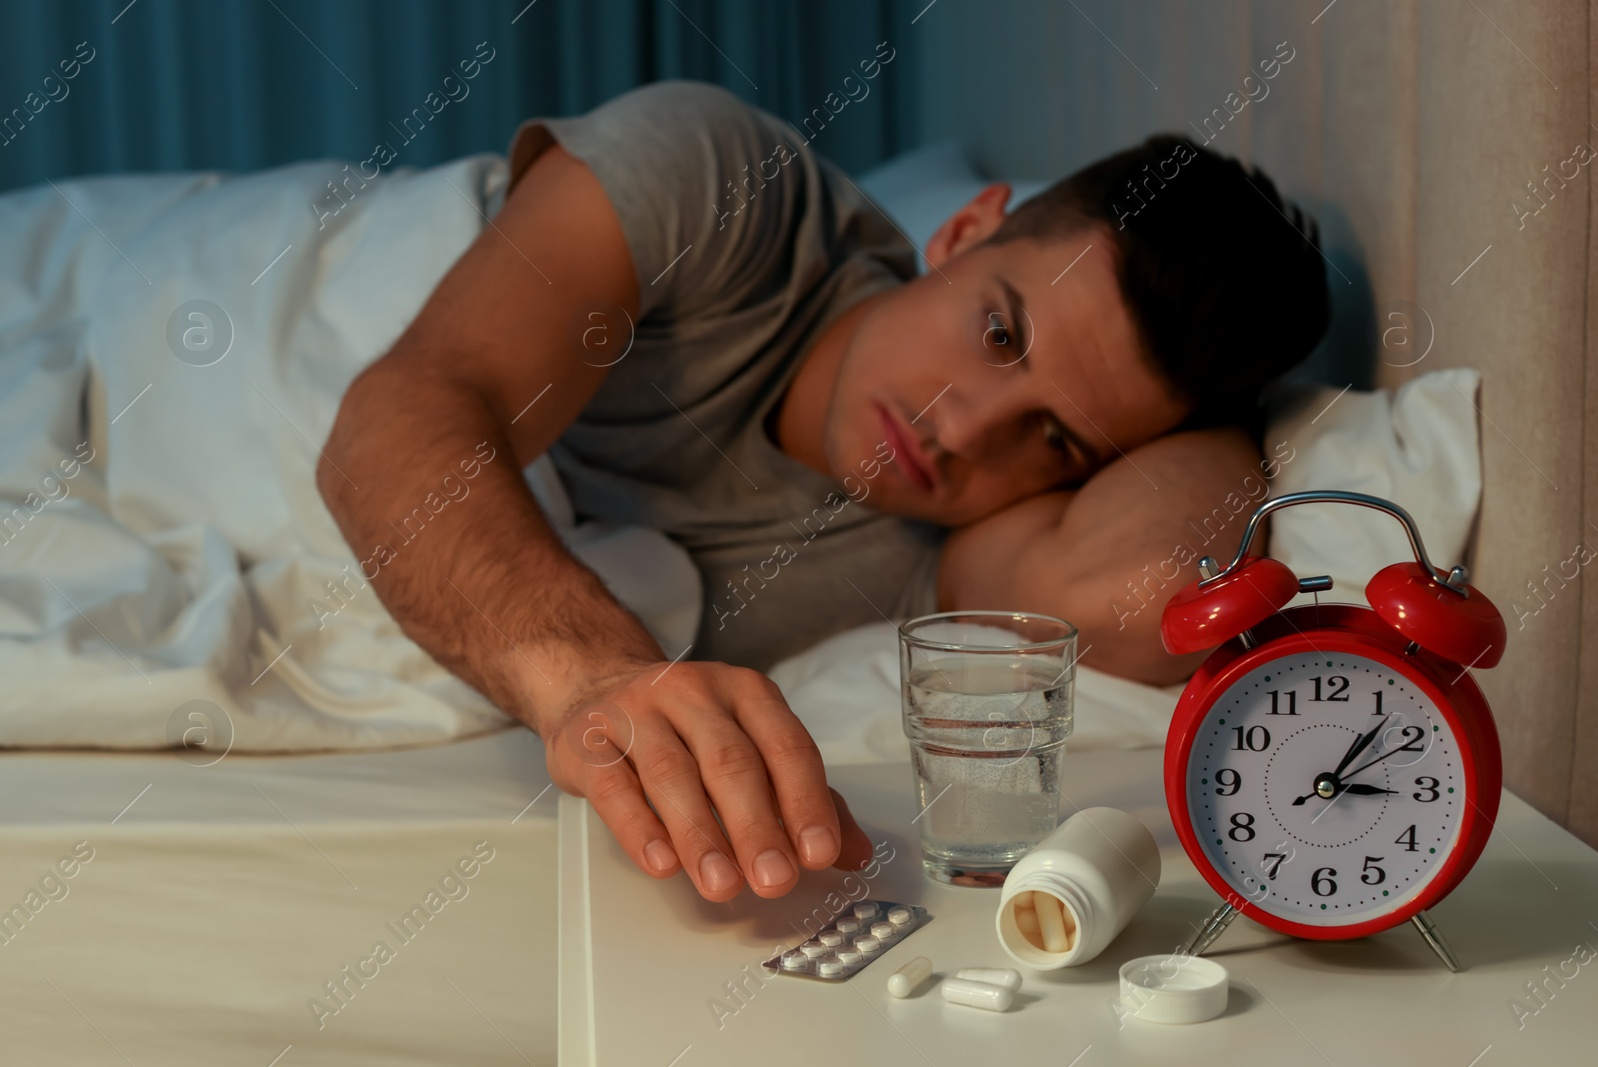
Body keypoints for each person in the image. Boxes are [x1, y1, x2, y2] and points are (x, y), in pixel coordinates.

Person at [317, 81, 1330, 904]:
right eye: (999, 334)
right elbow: (397, 419)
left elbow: (1147, 586)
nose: (964, 427)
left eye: (1058, 435)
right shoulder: (721, 186)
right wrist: (590, 677)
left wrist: (1233, 411)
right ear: (967, 225)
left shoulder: (956, 545)